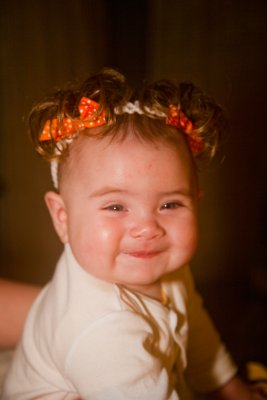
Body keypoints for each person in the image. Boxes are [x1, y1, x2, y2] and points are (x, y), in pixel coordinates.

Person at [2, 68, 264, 399]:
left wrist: (229, 386)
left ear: (196, 202)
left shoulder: (161, 266)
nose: (148, 228)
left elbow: (193, 327)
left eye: (170, 204)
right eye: (115, 207)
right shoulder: (104, 332)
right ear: (62, 218)